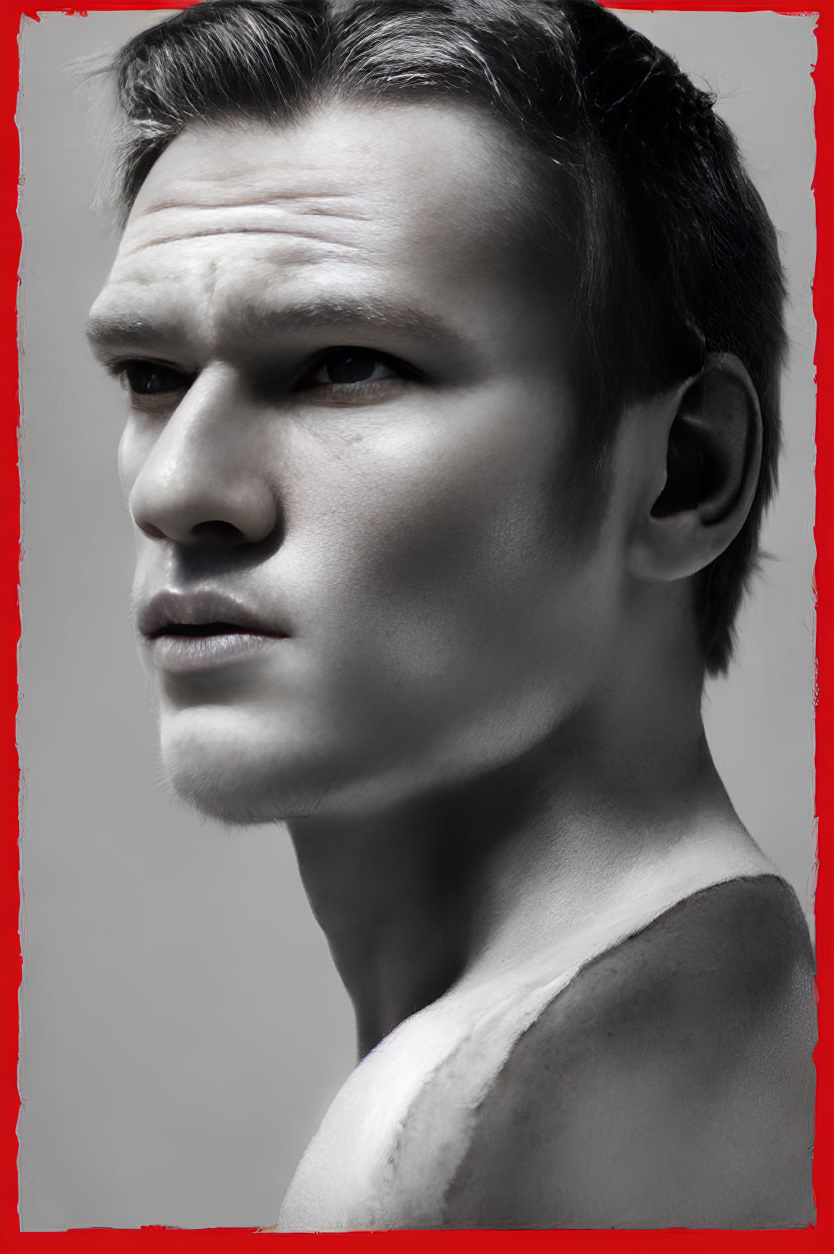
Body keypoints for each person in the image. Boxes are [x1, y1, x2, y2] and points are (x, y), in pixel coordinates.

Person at [84, 0, 815, 1230]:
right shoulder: (732, 1008)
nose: (176, 491)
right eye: (151, 377)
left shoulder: (445, 1138)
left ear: (685, 470)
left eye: (343, 363)